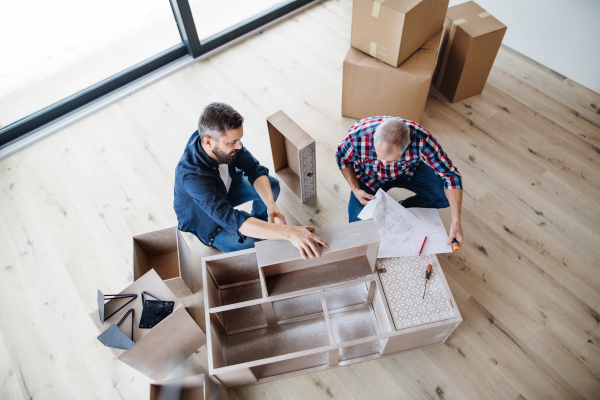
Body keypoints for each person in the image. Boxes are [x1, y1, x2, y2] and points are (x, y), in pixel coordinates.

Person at [174, 102, 328, 259]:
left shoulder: (217, 139)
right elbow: (230, 218)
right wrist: (289, 232)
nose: (239, 146)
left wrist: (271, 205)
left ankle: (261, 223)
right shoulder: (192, 177)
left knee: (272, 185)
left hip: (225, 188)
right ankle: (256, 231)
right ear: (208, 142)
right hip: (207, 220)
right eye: (232, 142)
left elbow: (254, 169)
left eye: (239, 139)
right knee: (261, 246)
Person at [336, 116, 464, 247]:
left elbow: (450, 175)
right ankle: (390, 210)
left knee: (443, 197)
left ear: (408, 144)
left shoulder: (422, 139)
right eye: (380, 158)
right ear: (374, 137)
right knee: (358, 229)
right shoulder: (357, 136)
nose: (385, 164)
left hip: (407, 172)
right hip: (369, 177)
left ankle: (402, 207)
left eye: (391, 160)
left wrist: (456, 222)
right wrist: (356, 189)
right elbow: (342, 158)